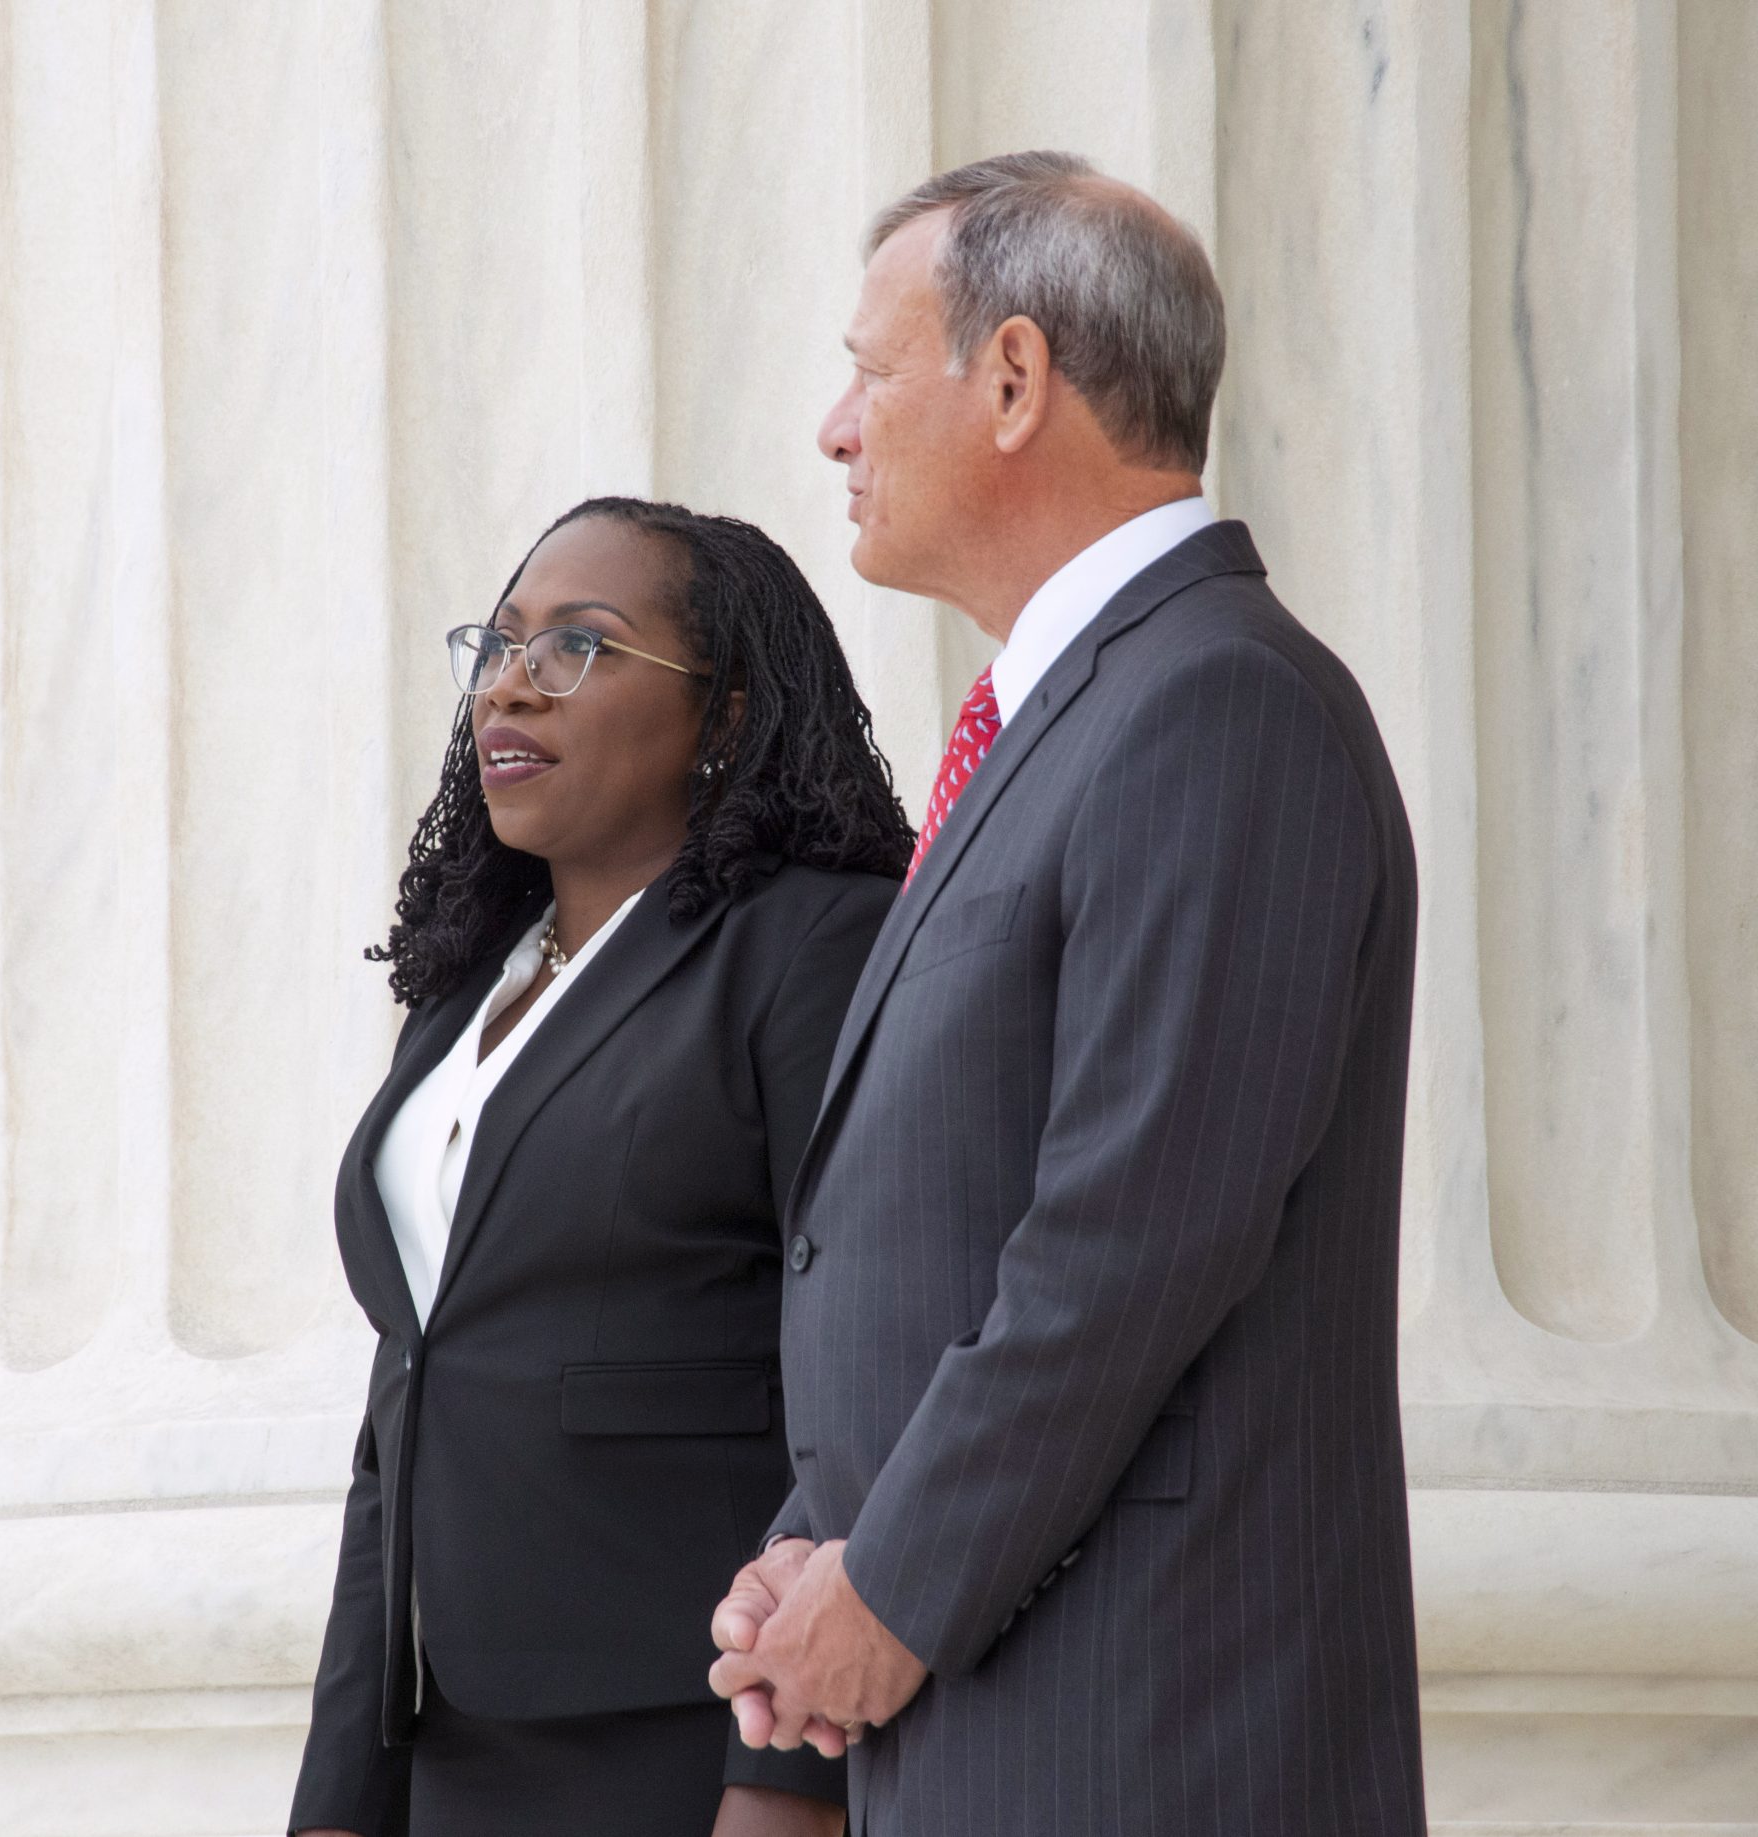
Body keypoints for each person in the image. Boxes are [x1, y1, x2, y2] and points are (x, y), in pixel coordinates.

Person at [707, 152, 1428, 1836]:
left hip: (1147, 1738)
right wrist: (821, 1563)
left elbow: (1128, 1237)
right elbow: (945, 1223)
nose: (833, 427)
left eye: (869, 373)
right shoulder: (1074, 719)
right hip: (1011, 1722)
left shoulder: (1217, 703)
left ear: (1015, 378)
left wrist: (890, 1590)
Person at [290, 497, 913, 1837]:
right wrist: (341, 1792)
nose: (512, 682)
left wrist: (793, 1778)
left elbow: (871, 1353)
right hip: (451, 1741)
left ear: (728, 713)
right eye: (500, 644)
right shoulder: (469, 993)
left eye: (580, 645)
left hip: (686, 1731)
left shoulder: (813, 946)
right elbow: (407, 1396)